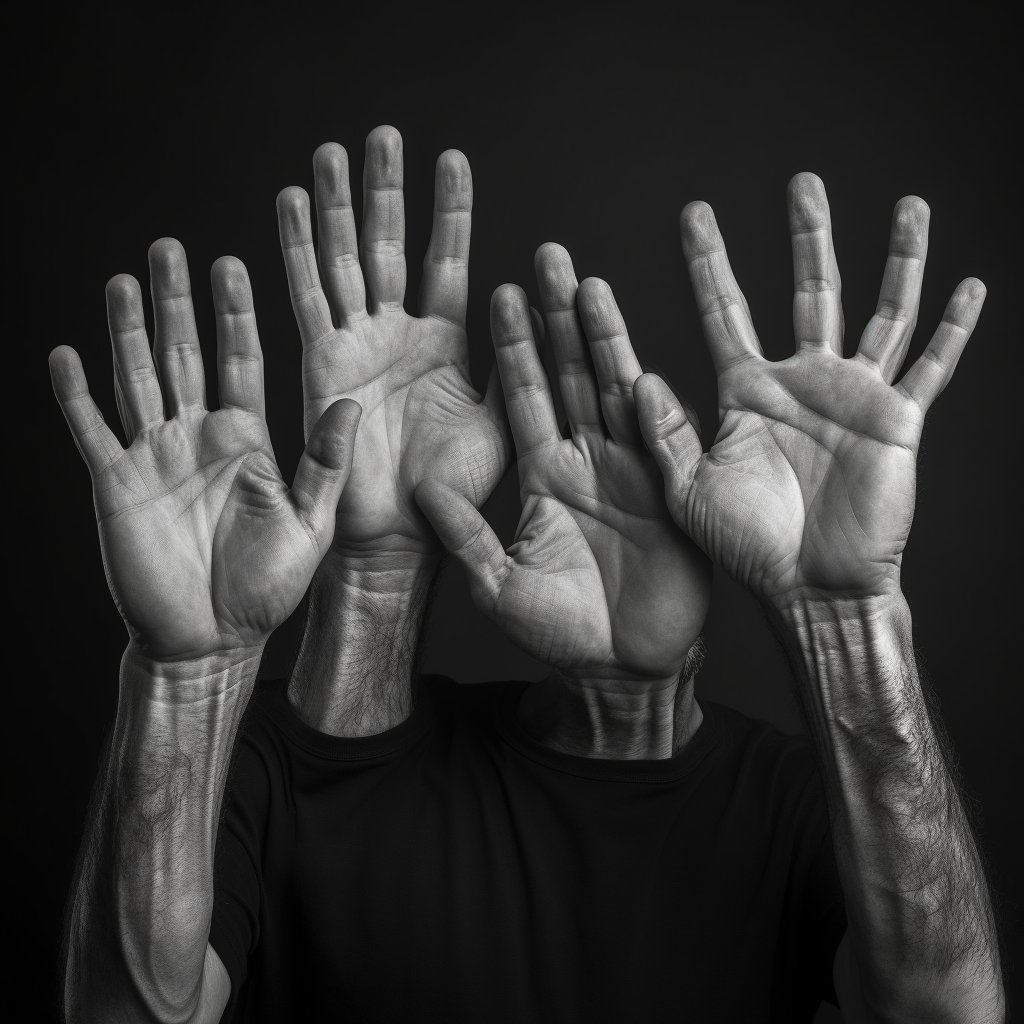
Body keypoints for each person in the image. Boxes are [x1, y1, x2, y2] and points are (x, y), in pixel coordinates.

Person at [53, 126, 1004, 1023]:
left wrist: (843, 615)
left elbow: (945, 1013)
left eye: (655, 485)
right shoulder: (282, 767)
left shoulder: (799, 810)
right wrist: (194, 676)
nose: (620, 525)